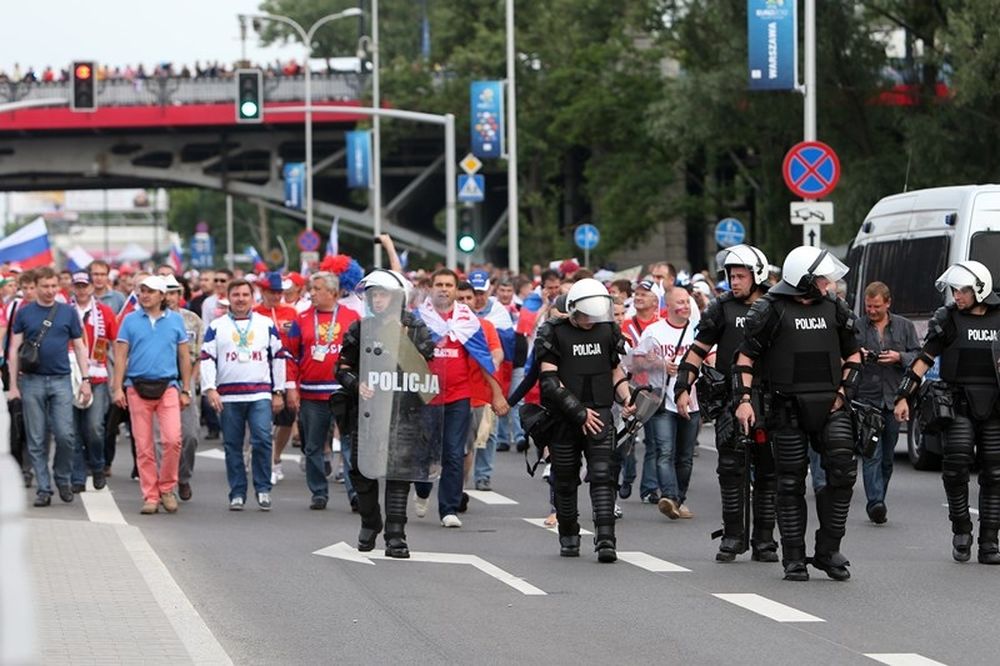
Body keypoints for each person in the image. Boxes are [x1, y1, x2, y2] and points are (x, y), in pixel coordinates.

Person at [733, 247, 861, 582]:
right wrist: (744, 400)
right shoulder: (770, 309)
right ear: (804, 280)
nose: (828, 283)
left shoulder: (836, 307)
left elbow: (855, 356)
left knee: (844, 473)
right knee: (789, 482)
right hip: (786, 407)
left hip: (831, 405)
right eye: (822, 278)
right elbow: (745, 359)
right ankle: (793, 558)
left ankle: (828, 550)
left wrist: (844, 392)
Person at [675, 244, 778, 563]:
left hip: (770, 397)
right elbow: (698, 348)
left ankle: (764, 541)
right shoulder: (721, 308)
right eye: (731, 276)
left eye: (740, 276)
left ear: (757, 275)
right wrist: (682, 386)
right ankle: (733, 537)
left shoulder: (777, 306)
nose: (734, 282)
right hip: (730, 399)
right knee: (730, 469)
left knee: (769, 472)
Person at [894, 261, 1000, 564]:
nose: (957, 295)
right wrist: (903, 397)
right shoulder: (948, 319)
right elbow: (923, 360)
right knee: (955, 468)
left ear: (980, 289)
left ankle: (990, 542)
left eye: (963, 290)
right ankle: (961, 530)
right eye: (954, 289)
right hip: (958, 406)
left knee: (995, 474)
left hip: (995, 408)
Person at [337, 269, 438, 557]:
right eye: (373, 295)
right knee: (361, 471)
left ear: (396, 298)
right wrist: (358, 384)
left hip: (404, 412)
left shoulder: (415, 327)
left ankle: (396, 535)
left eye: (382, 294)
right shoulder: (360, 328)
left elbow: (428, 371)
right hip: (368, 413)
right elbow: (341, 369)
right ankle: (370, 522)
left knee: (399, 474)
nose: (377, 300)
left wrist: (401, 338)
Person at [537, 278, 634, 562]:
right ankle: (568, 535)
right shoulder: (554, 332)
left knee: (603, 477)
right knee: (565, 480)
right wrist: (578, 412)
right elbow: (549, 379)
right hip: (565, 418)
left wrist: (626, 398)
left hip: (601, 413)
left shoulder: (608, 330)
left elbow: (615, 371)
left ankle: (606, 540)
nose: (591, 320)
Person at [416, 269, 508, 528]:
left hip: (458, 395)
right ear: (431, 287)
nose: (443, 289)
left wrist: (497, 394)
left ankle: (449, 508)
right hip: (425, 396)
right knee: (425, 453)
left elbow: (483, 359)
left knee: (454, 453)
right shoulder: (419, 318)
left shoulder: (468, 320)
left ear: (456, 290)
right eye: (439, 284)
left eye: (448, 285)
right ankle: (422, 491)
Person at [8, 267, 92, 506]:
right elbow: (15, 349)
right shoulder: (25, 313)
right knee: (36, 439)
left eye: (54, 286)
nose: (50, 291)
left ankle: (62, 477)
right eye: (45, 286)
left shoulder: (67, 312)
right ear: (36, 286)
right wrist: (13, 385)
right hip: (32, 381)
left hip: (61, 379)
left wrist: (85, 381)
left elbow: (79, 346)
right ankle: (44, 488)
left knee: (66, 435)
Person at [201, 279, 287, 511]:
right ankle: (237, 492)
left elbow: (279, 357)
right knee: (232, 445)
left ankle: (263, 489)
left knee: (261, 440)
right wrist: (210, 388)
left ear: (253, 297)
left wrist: (278, 391)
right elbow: (206, 358)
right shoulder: (217, 326)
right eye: (236, 294)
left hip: (260, 393)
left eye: (245, 295)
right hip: (228, 396)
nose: (240, 299)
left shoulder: (265, 323)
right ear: (228, 297)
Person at [112, 275, 192, 515]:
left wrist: (186, 388)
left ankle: (167, 487)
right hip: (136, 387)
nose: (144, 295)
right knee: (144, 446)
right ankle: (151, 495)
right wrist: (117, 388)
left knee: (172, 440)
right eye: (142, 291)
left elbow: (184, 357)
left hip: (168, 386)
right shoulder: (129, 320)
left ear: (162, 295)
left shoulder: (176, 320)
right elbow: (121, 356)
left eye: (150, 291)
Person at [285, 272, 361, 510]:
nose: (312, 293)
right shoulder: (302, 318)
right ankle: (318, 491)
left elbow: (362, 354)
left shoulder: (352, 317)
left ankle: (355, 494)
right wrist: (291, 387)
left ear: (333, 293)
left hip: (344, 391)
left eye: (317, 289)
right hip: (311, 393)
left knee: (349, 444)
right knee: (313, 446)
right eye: (311, 289)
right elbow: (291, 355)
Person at [856, 281, 919, 524]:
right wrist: (857, 355)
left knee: (887, 457)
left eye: (876, 307)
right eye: (868, 306)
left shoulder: (904, 326)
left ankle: (880, 496)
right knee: (871, 453)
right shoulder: (858, 327)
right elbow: (843, 353)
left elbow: (919, 356)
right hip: (866, 398)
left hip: (895, 399)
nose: (871, 311)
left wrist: (898, 357)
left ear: (888, 303)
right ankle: (875, 503)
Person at [637, 287, 700, 520]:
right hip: (663, 402)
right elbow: (637, 362)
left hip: (691, 402)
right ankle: (670, 497)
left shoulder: (697, 330)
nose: (685, 306)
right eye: (680, 302)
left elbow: (710, 356)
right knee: (665, 451)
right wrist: (659, 364)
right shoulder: (654, 331)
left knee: (684, 455)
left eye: (688, 302)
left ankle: (678, 500)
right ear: (668, 306)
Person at [69, 271, 117, 494]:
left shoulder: (104, 312)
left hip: (97, 377)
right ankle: (78, 475)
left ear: (91, 288)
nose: (81, 290)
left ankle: (97, 466)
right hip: (71, 377)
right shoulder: (64, 312)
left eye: (84, 286)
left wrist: (118, 378)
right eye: (77, 286)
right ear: (72, 287)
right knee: (74, 431)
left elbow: (116, 344)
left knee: (95, 428)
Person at [253, 272, 300, 485]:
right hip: (260, 371)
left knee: (287, 416)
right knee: (261, 418)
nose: (276, 296)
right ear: (263, 291)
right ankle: (264, 459)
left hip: (287, 370)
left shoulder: (291, 312)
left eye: (279, 292)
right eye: (272, 292)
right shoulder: (254, 313)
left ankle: (276, 455)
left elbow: (297, 345)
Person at [165, 274, 204, 501]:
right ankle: (165, 484)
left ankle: (183, 477)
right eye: (166, 293)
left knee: (189, 435)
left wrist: (191, 384)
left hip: (185, 382)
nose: (169, 298)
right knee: (165, 439)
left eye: (174, 293)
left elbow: (199, 354)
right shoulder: (153, 319)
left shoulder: (192, 320)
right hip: (159, 381)